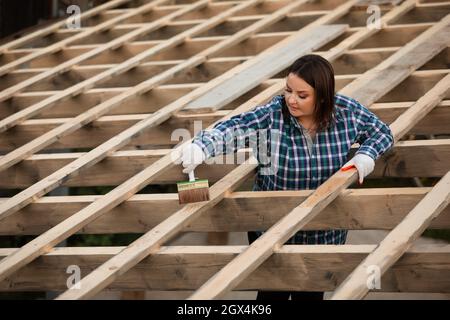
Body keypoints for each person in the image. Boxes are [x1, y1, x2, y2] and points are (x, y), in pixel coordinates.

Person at [180, 54, 394, 300]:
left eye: (302, 95)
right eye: (288, 90)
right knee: (271, 297)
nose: (291, 99)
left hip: (322, 233)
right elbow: (234, 128)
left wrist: (366, 154)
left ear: (323, 97)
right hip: (271, 228)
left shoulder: (347, 112)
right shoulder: (273, 115)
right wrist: (202, 147)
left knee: (310, 296)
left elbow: (382, 132)